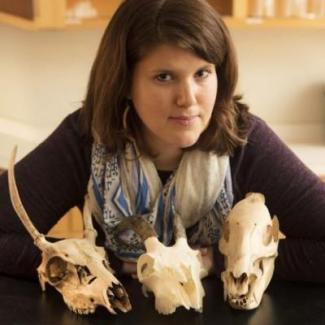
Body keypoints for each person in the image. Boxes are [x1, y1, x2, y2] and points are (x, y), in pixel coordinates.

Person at [1, 0, 325, 283]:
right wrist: (107, 265)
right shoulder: (85, 138)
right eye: (164, 77)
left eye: (202, 73)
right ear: (125, 82)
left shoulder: (246, 140)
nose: (188, 99)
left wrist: (221, 261)